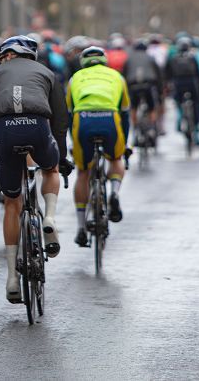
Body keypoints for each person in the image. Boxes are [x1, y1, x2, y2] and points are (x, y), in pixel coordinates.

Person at [0, 35, 71, 303]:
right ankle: (50, 219)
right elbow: (61, 120)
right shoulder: (47, 73)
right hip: (38, 125)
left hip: (5, 130)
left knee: (12, 202)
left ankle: (11, 277)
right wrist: (61, 158)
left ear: (6, 55)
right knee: (50, 169)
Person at [66, 46, 130, 247]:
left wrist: (72, 143)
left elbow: (69, 114)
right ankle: (114, 193)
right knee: (116, 159)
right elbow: (125, 112)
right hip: (109, 119)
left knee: (83, 173)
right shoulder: (117, 77)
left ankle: (80, 228)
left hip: (83, 120)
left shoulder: (75, 78)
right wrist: (124, 144)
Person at [165, 37, 199, 140]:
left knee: (178, 101)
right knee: (197, 102)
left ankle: (180, 118)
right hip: (192, 83)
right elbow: (198, 73)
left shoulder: (174, 58)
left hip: (178, 83)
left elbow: (168, 73)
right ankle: (195, 128)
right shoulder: (192, 58)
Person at [122, 38, 163, 129]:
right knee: (152, 107)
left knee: (133, 107)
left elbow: (124, 75)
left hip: (133, 85)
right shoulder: (150, 57)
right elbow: (158, 74)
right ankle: (153, 126)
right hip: (148, 84)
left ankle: (135, 126)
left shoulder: (129, 58)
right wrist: (160, 89)